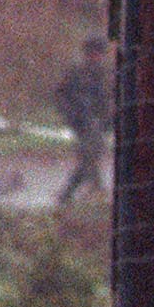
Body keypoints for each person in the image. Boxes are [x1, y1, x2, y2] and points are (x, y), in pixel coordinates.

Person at [54, 39, 111, 204]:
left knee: (93, 155)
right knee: (90, 155)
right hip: (81, 121)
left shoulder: (104, 73)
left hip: (99, 121)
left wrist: (108, 116)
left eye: (99, 53)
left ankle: (76, 191)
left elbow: (108, 96)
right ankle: (85, 190)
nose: (96, 56)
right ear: (87, 53)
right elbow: (60, 94)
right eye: (93, 52)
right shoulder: (76, 72)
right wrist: (71, 115)